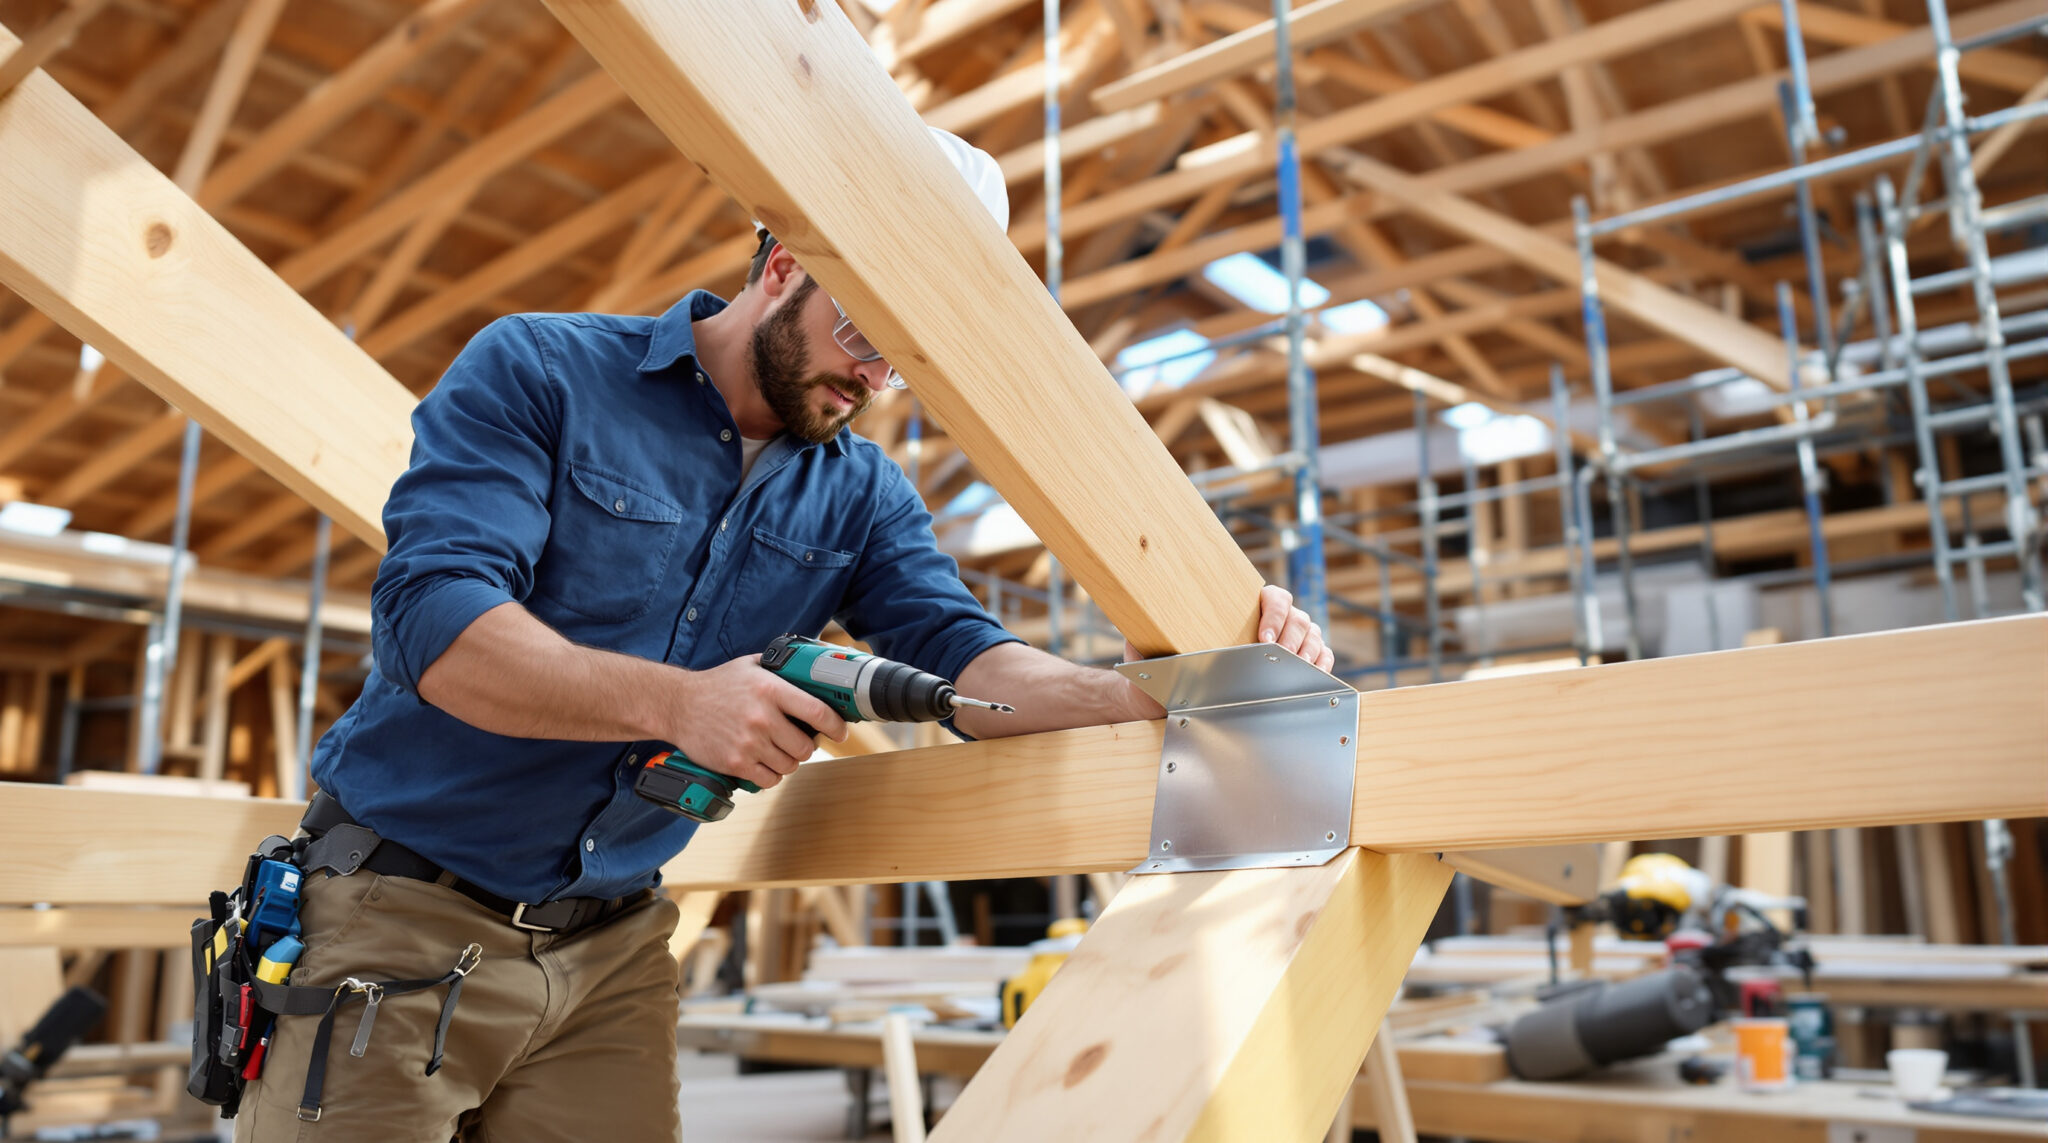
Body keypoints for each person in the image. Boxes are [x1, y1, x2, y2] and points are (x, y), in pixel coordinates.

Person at [232, 128, 1331, 1141]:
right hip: (400, 916)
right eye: (860, 334)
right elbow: (440, 634)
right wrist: (680, 702)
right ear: (782, 266)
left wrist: (1152, 689)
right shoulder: (543, 371)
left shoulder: (861, 495)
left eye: (902, 363)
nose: (870, 376)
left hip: (611, 948)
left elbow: (972, 659)